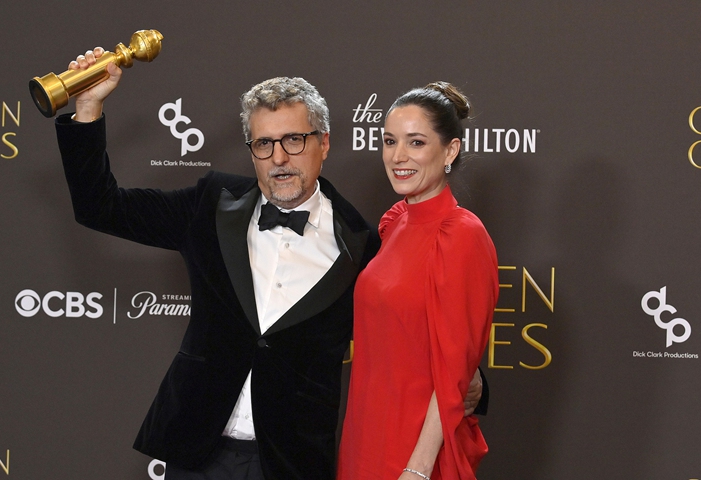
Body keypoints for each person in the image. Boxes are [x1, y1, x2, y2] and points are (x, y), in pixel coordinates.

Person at [55, 47, 484, 479]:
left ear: (323, 144)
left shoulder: (363, 245)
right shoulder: (211, 205)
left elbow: (410, 332)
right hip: (195, 452)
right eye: (264, 144)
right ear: (252, 151)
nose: (279, 158)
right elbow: (100, 207)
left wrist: (473, 382)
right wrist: (88, 109)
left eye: (294, 140)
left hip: (292, 464)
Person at [337, 82, 499, 480]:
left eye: (416, 142)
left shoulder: (461, 235)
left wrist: (419, 468)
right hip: (364, 435)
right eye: (390, 141)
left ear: (450, 151)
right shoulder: (395, 222)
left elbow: (454, 370)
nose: (398, 156)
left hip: (415, 450)